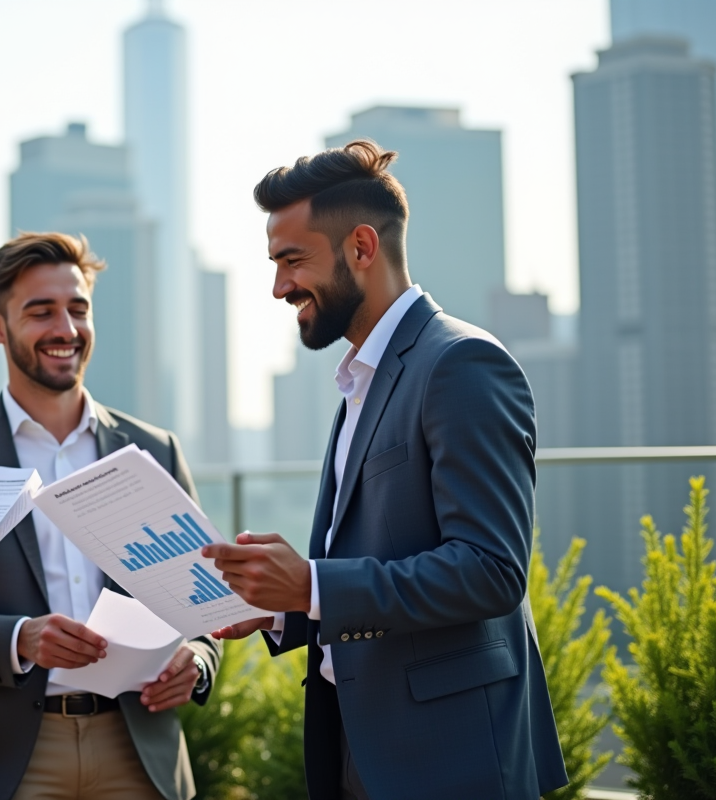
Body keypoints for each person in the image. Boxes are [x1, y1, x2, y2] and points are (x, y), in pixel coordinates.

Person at [203, 141, 569, 799]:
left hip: (449, 758)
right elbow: (374, 562)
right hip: (361, 744)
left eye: (292, 260)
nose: (279, 287)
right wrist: (286, 607)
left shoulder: (461, 364)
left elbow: (490, 571)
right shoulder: (362, 380)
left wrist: (311, 583)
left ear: (362, 248)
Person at [0, 232, 221, 800]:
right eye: (41, 312)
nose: (66, 329)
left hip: (139, 749)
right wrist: (18, 639)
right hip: (1, 760)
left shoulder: (153, 449)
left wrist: (199, 659)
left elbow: (204, 603)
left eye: (78, 309)